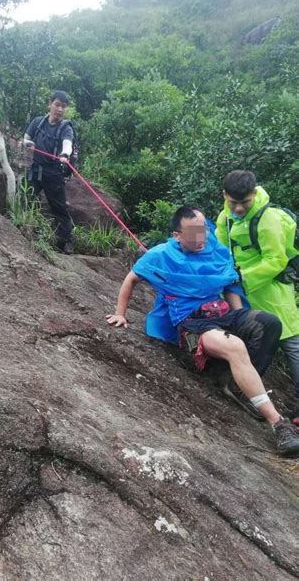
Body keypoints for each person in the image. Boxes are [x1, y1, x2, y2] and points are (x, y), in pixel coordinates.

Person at [106, 205, 299, 457]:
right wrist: (120, 313)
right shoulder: (161, 255)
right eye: (193, 234)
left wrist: (240, 318)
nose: (201, 238)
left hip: (222, 313)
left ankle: (239, 386)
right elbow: (131, 278)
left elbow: (229, 284)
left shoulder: (213, 250)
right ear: (177, 235)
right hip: (192, 321)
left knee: (270, 323)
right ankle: (279, 425)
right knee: (235, 347)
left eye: (203, 231)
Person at [216, 170, 299, 425]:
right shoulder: (225, 218)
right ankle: (248, 392)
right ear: (225, 196)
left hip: (272, 292)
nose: (239, 208)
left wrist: (241, 276)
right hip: (239, 291)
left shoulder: (268, 218)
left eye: (245, 202)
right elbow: (220, 252)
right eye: (233, 202)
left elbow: (276, 260)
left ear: (254, 193)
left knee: (292, 345)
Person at [22, 90, 74, 254]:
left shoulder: (66, 128)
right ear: (50, 104)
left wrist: (65, 154)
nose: (60, 109)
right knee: (25, 197)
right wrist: (26, 144)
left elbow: (68, 144)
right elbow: (26, 138)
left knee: (59, 208)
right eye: (57, 105)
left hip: (53, 174)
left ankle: (65, 242)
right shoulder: (38, 122)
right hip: (36, 169)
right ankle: (24, 227)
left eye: (63, 107)